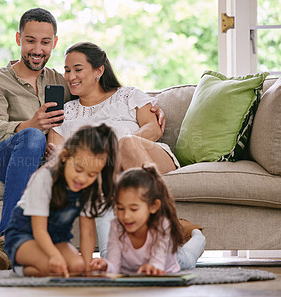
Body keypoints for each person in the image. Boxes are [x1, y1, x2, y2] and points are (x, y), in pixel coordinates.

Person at [0, 9, 167, 271]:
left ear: (54, 42)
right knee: (31, 137)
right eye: (30, 41)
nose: (37, 49)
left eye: (45, 42)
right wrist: (31, 125)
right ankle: (5, 238)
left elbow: (97, 98)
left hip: (40, 157)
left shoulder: (60, 80)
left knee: (52, 152)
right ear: (18, 39)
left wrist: (153, 110)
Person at [47, 42, 182, 257]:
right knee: (97, 172)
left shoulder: (127, 96)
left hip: (146, 156)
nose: (71, 76)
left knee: (126, 143)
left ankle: (161, 229)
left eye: (78, 69)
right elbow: (57, 152)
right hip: (103, 172)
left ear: (99, 71)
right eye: (67, 70)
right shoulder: (66, 112)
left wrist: (115, 151)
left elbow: (153, 128)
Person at [4, 124, 118, 277]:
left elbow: (88, 231)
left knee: (77, 267)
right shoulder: (45, 178)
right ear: (65, 156)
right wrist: (54, 256)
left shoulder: (90, 188)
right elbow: (39, 230)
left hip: (58, 239)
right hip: (25, 236)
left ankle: (44, 266)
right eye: (78, 169)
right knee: (55, 268)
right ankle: (21, 268)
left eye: (92, 175)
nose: (83, 178)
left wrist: (87, 265)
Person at [89, 164, 206, 274]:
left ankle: (196, 233)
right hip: (130, 263)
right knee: (106, 254)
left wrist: (153, 266)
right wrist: (106, 265)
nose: (126, 216)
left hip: (168, 258)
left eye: (133, 209)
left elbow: (158, 263)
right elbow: (114, 265)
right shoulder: (116, 225)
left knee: (189, 259)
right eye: (120, 208)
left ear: (153, 206)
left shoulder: (161, 225)